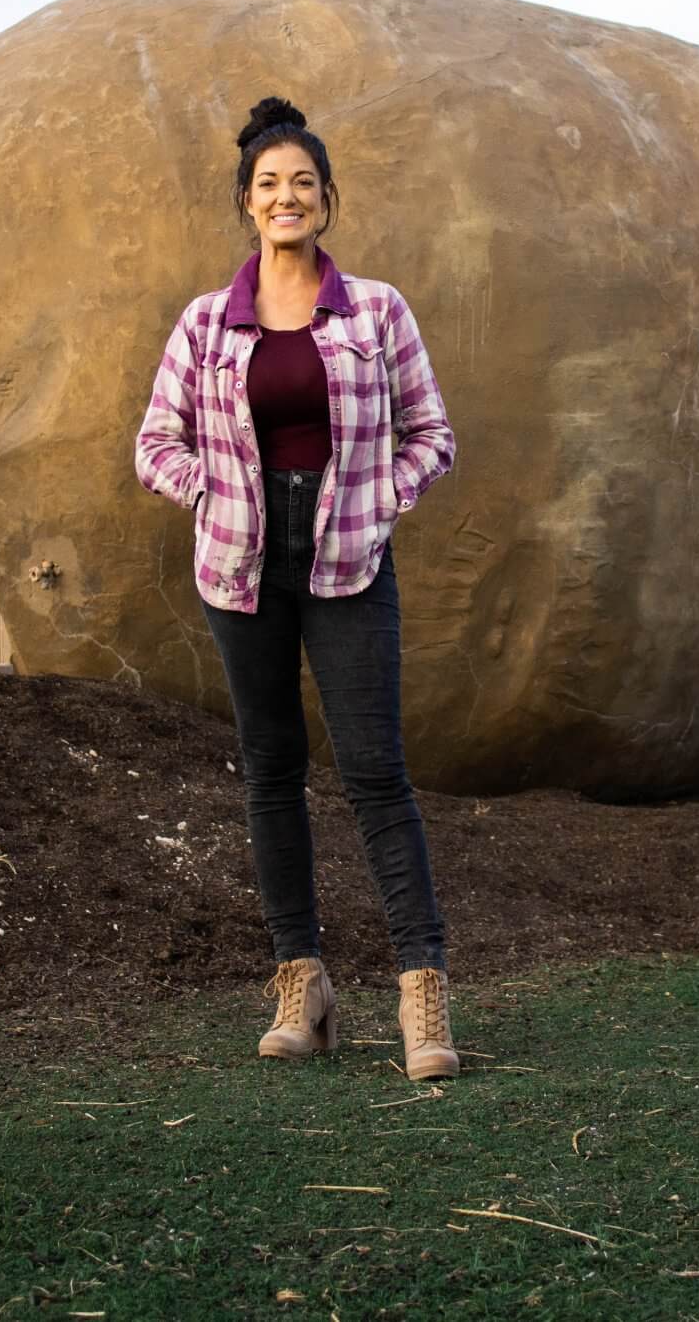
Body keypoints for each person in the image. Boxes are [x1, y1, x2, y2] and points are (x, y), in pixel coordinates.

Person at [133, 94, 461, 1079]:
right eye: (269, 184)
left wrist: (379, 498)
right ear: (247, 201)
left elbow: (431, 434)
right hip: (241, 566)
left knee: (374, 775)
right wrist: (210, 495)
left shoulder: (377, 311)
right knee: (270, 772)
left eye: (303, 184)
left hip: (348, 558)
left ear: (326, 201)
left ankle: (421, 995)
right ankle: (301, 982)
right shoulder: (204, 323)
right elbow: (156, 443)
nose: (287, 198)